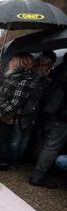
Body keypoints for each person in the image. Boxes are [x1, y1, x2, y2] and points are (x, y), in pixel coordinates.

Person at [29, 56, 67, 189]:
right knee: (51, 148)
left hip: (47, 111)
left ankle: (37, 171)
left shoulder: (58, 69)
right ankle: (38, 177)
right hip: (59, 115)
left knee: (44, 145)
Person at [9, 55, 53, 167]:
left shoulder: (38, 79)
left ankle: (14, 161)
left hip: (28, 114)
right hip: (27, 114)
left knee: (20, 140)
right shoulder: (37, 80)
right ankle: (14, 161)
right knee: (20, 140)